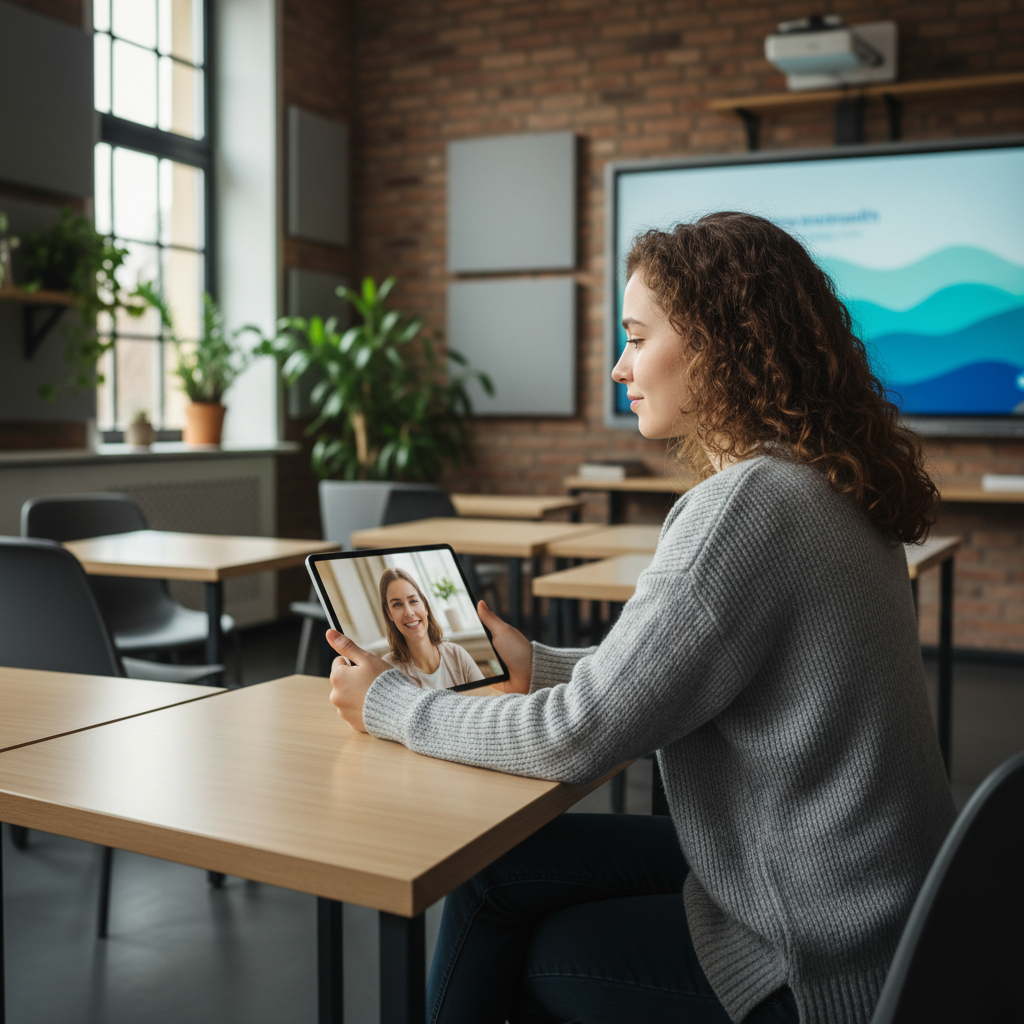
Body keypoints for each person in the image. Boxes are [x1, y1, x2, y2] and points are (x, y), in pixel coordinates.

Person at [326, 213, 956, 1024]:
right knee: (496, 871)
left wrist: (391, 705)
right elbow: (694, 665)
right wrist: (541, 662)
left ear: (718, 342)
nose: (621, 366)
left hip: (814, 957)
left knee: (539, 951)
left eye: (636, 336)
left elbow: (574, 738)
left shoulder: (745, 507)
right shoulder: (820, 482)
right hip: (880, 909)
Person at [378, 567, 484, 690]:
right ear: (389, 613)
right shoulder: (387, 670)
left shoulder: (457, 655)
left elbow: (486, 700)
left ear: (425, 606)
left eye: (413, 601)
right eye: (397, 604)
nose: (409, 612)